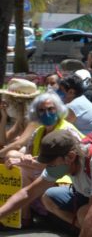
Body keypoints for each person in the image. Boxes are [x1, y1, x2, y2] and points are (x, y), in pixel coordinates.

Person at [0, 129, 92, 236]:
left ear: (70, 157)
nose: (49, 168)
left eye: (51, 164)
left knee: (85, 214)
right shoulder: (62, 162)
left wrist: (88, 222)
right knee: (48, 197)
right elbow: (28, 193)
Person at [4, 92, 83, 226]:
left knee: (24, 169)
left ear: (58, 110)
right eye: (41, 110)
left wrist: (23, 161)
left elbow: (58, 165)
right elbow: (30, 154)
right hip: (46, 172)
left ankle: (25, 218)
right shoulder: (38, 131)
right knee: (21, 166)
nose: (46, 113)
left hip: (67, 177)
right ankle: (24, 217)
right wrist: (25, 158)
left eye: (50, 109)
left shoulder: (67, 131)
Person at [0, 78, 40, 158]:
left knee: (11, 154)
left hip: (40, 158)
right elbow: (2, 141)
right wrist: (3, 117)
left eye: (8, 100)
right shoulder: (22, 118)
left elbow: (18, 145)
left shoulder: (35, 119)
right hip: (31, 154)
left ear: (19, 102)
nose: (5, 103)